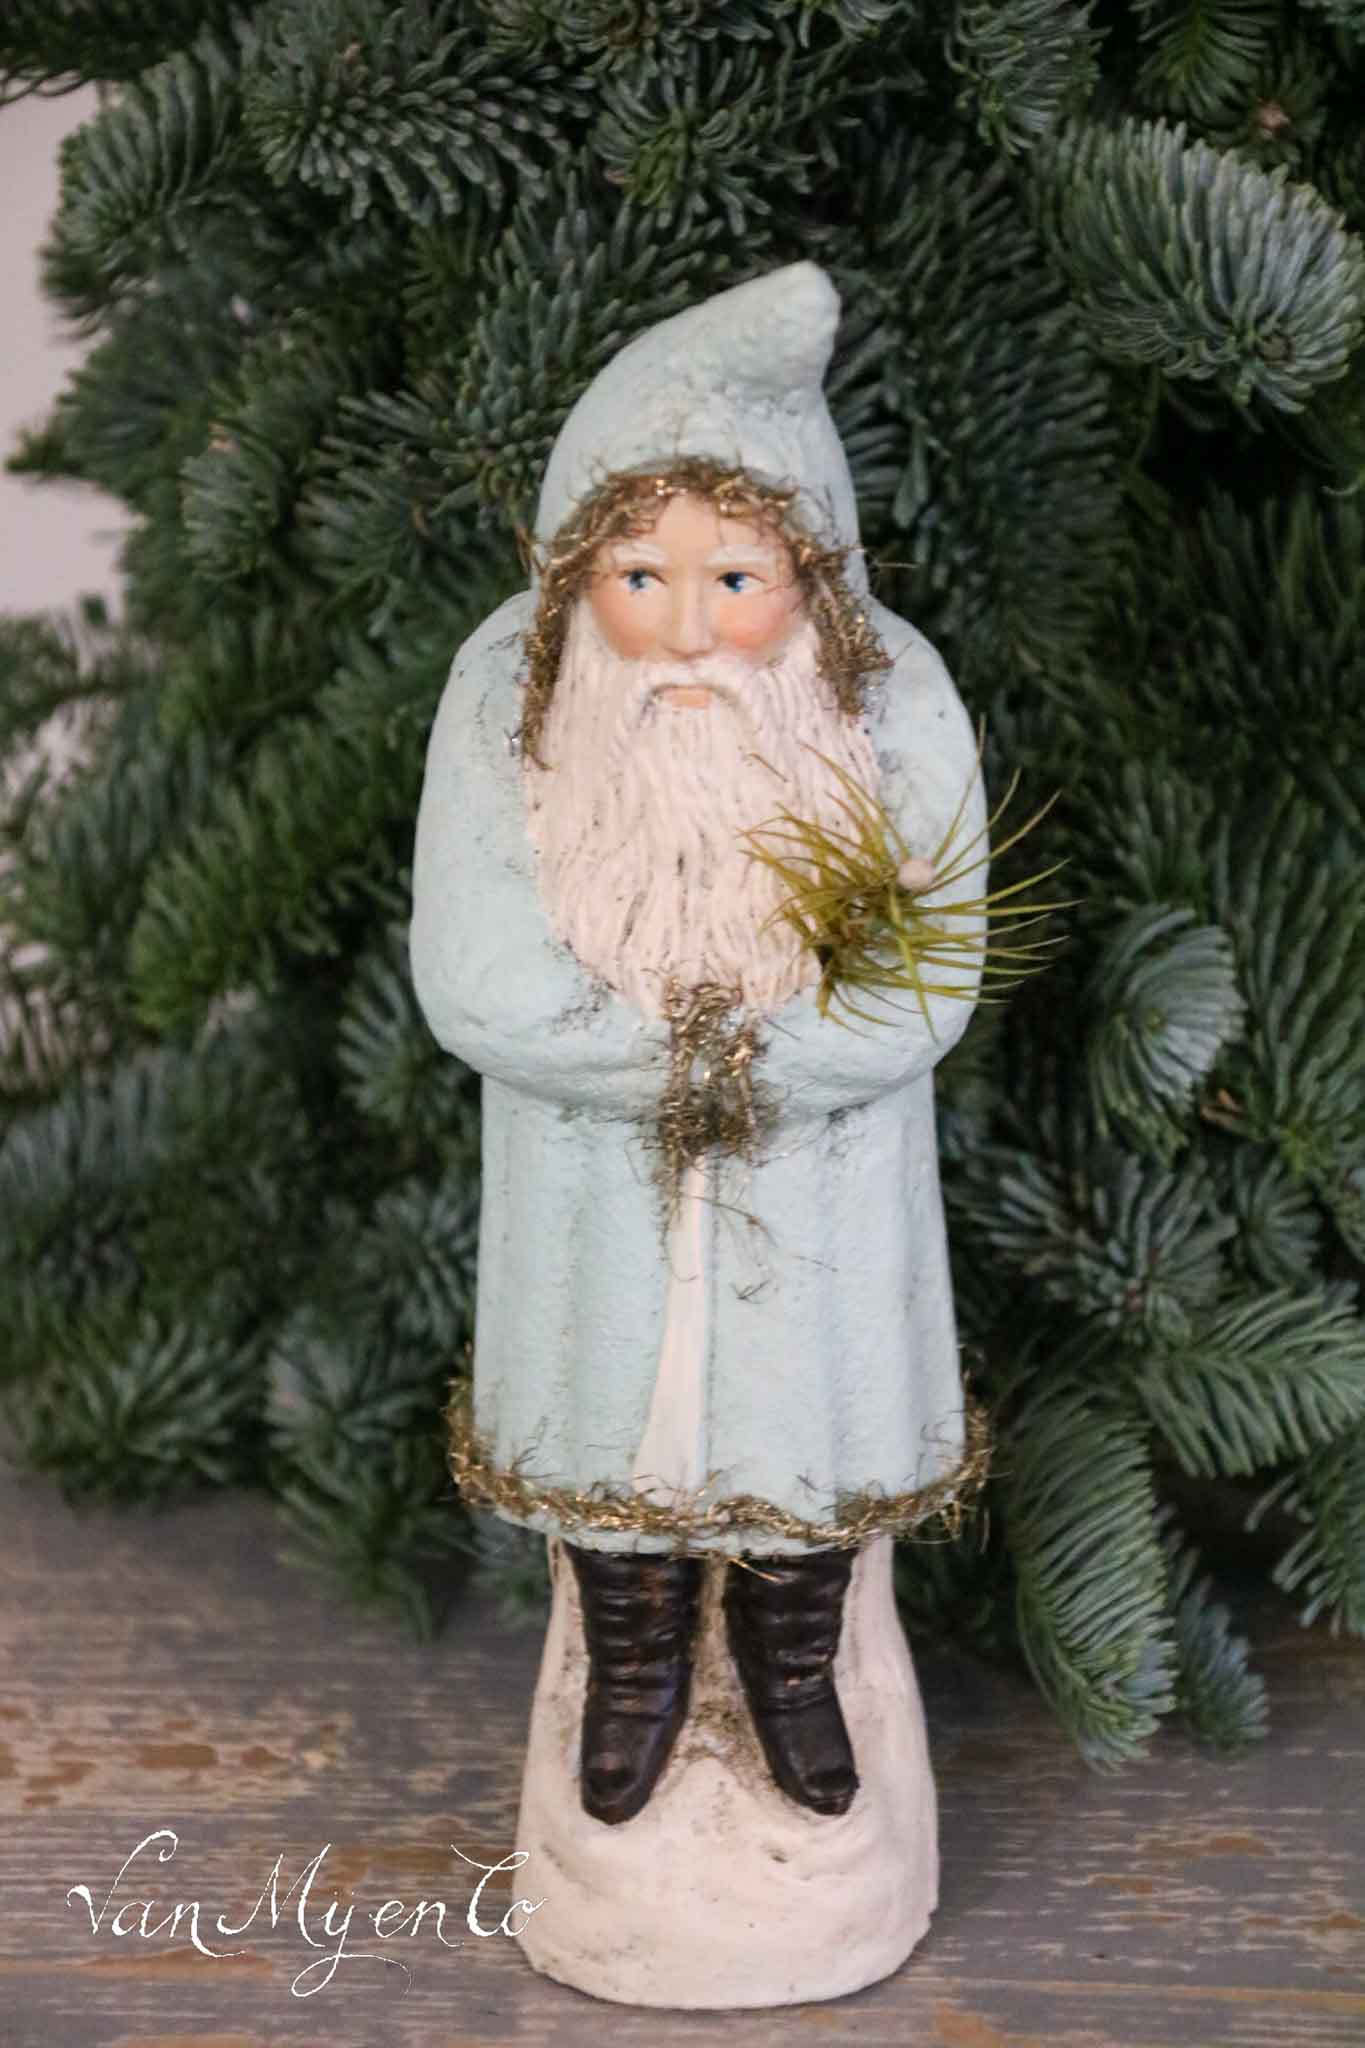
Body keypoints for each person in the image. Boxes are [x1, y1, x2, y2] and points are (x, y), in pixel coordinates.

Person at [410, 263, 984, 1830]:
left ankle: (793, 1663)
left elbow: (925, 975)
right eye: (636, 576)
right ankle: (634, 1657)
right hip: (592, 1175)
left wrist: (768, 1063)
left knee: (806, 1424)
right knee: (616, 1428)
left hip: (817, 1172)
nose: (682, 633)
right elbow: (473, 971)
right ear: (575, 567)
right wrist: (655, 1066)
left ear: (806, 570)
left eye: (733, 578)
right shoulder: (506, 695)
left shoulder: (892, 702)